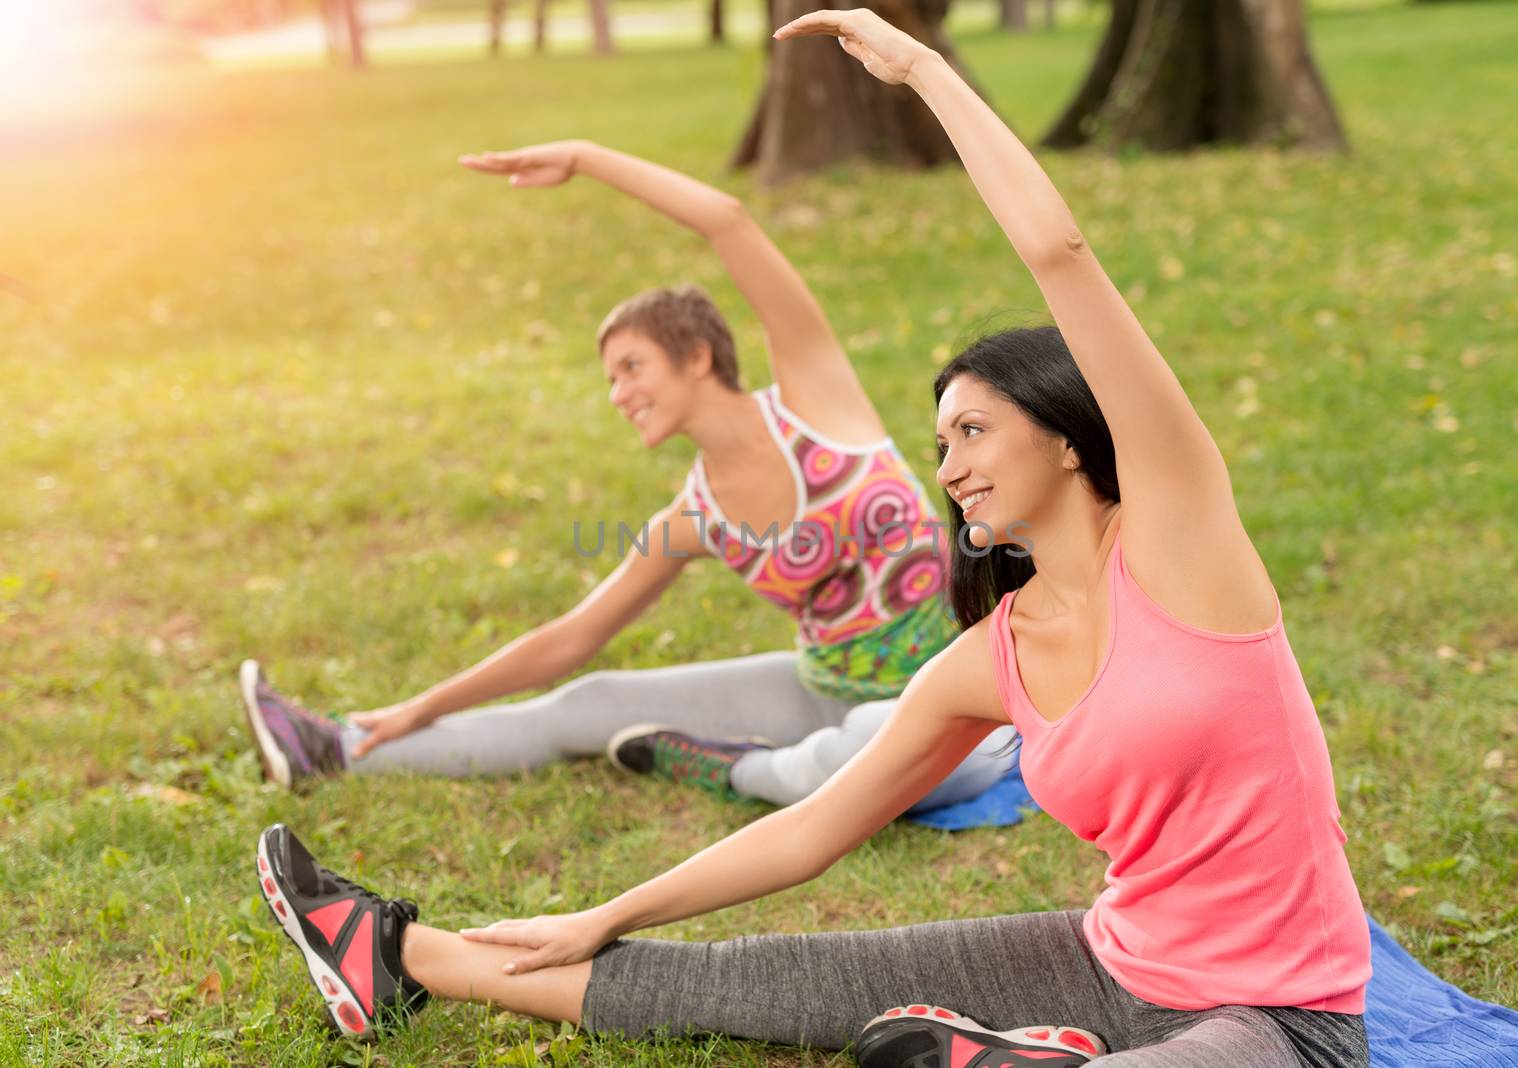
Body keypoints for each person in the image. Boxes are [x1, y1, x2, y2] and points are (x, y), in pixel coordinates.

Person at [253, 10, 1371, 1066]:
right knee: (778, 980)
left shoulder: (1181, 542)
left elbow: (1061, 254)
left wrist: (925, 72)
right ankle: (401, 958)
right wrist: (607, 910)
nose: (948, 465)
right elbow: (811, 834)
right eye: (939, 442)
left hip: (1282, 1019)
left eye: (974, 428)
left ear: (1071, 438)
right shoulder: (993, 654)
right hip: (1113, 960)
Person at [236, 139, 1016, 812]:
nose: (620, 394)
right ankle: (333, 746)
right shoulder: (693, 519)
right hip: (823, 691)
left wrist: (584, 158)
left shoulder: (817, 404)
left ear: (700, 356)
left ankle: (737, 770)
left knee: (877, 753)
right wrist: (420, 706)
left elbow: (728, 221)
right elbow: (570, 639)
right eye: (610, 380)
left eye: (632, 367)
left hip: (962, 687)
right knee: (592, 703)